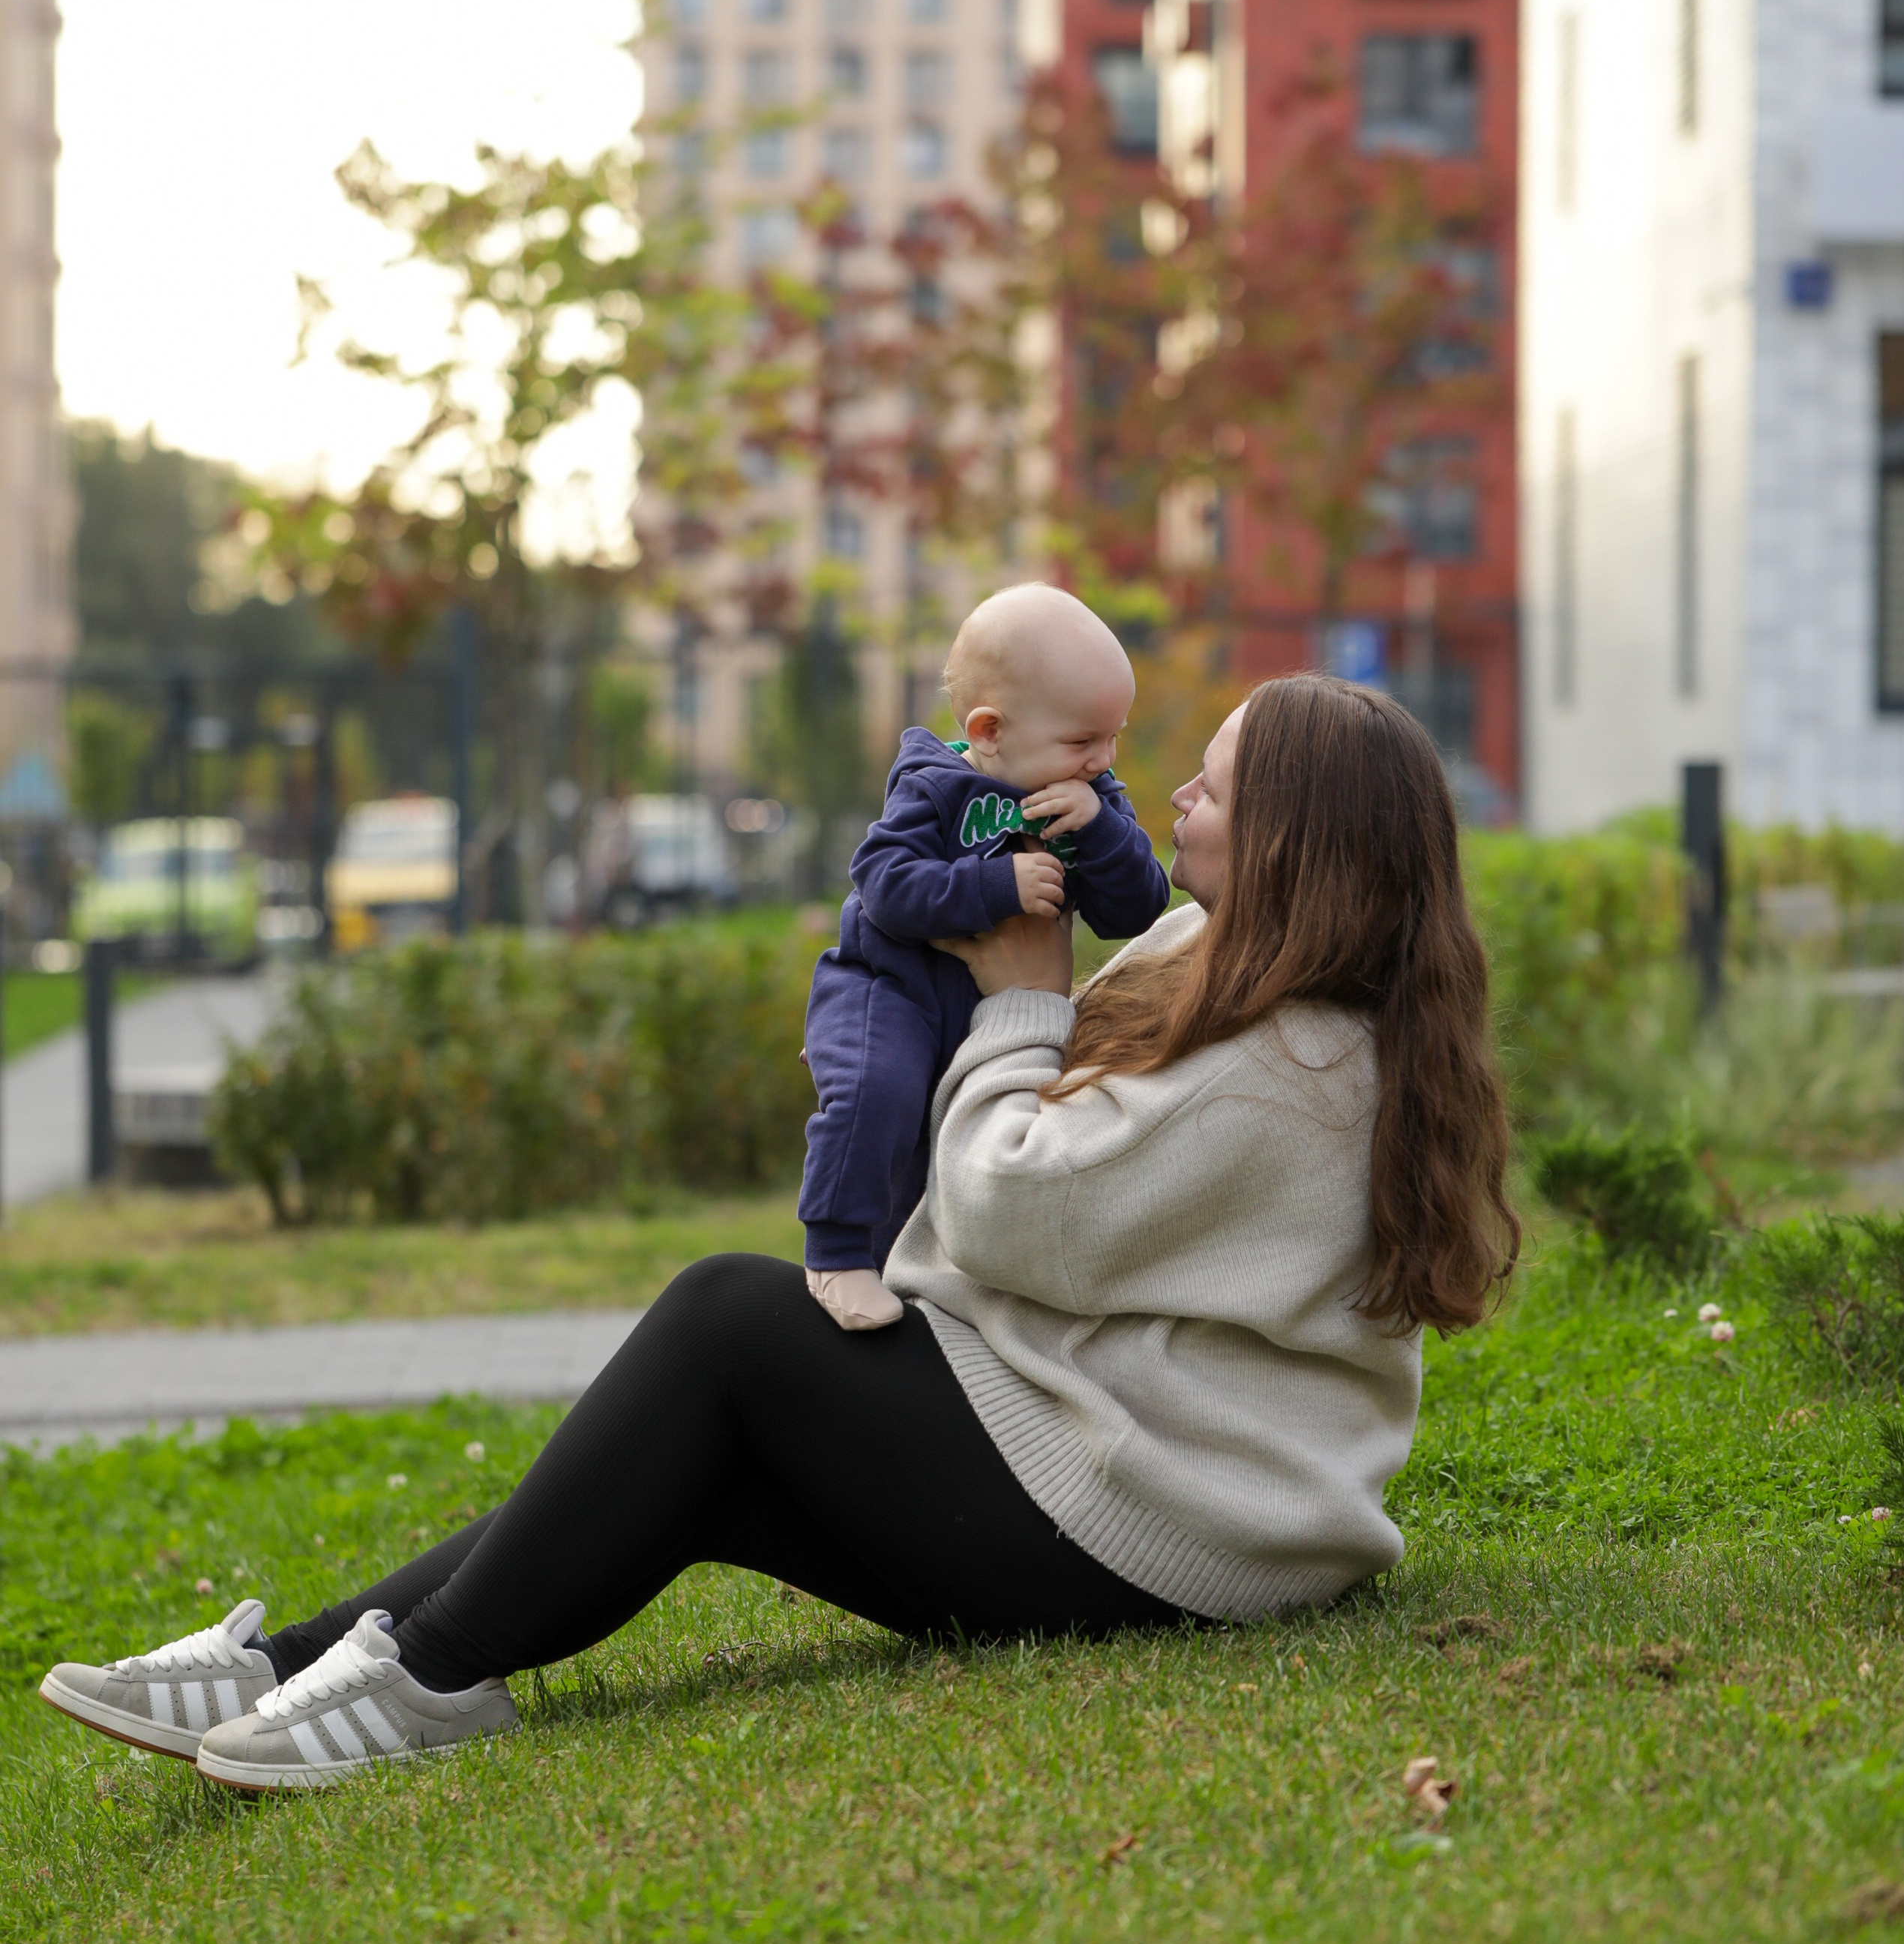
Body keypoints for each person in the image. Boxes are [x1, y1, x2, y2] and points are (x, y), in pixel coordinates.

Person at [39, 675, 1519, 1798]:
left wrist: (1018, 992)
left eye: (1214, 786)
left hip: (1176, 1535)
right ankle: (292, 1666)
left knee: (730, 1321)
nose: (1175, 795)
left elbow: (1013, 1213)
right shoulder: (1225, 957)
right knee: (712, 1466)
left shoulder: (1296, 1066)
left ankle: (420, 1680)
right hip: (1125, 1472)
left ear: (1292, 843)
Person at [799, 583, 1168, 1331]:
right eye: (1082, 741)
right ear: (991, 730)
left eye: (1113, 738)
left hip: (984, 1014)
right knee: (880, 1094)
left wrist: (1102, 831)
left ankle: (921, 1277)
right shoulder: (934, 788)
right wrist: (994, 885)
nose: (1101, 760)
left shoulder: (1093, 799)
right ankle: (838, 1254)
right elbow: (883, 886)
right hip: (886, 991)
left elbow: (1137, 908)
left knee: (961, 1149)